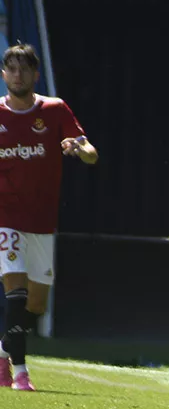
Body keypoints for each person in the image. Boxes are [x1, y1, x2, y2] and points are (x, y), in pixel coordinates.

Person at [0, 44, 97, 391]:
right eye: (11, 69)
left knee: (37, 305)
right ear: (3, 75)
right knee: (17, 294)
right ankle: (19, 372)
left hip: (41, 221)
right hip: (5, 218)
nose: (18, 75)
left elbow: (90, 152)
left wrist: (78, 148)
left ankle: (2, 349)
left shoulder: (54, 111)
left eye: (24, 69)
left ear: (35, 75)